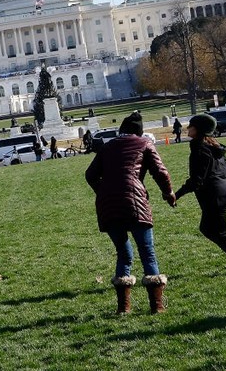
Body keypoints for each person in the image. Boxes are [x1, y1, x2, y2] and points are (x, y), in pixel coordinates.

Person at [85, 111, 176, 315]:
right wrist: (168, 193)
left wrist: (104, 191)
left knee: (124, 254)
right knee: (147, 252)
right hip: (135, 202)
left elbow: (90, 175)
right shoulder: (144, 144)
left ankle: (123, 308)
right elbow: (160, 172)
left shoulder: (107, 147)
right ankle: (157, 305)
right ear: (139, 132)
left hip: (108, 206)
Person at [173, 113, 226, 273]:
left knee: (215, 232)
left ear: (198, 129)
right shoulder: (214, 147)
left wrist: (176, 194)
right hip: (222, 194)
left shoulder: (199, 148)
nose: (187, 128)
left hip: (213, 196)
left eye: (190, 125)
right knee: (212, 230)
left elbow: (197, 179)